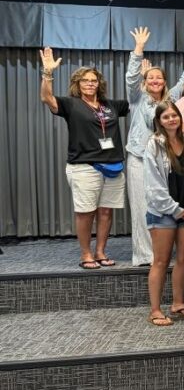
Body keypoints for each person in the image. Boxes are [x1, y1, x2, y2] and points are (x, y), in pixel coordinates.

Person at [39, 47, 129, 270]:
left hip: (113, 166)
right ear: (77, 84)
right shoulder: (71, 104)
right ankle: (86, 253)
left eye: (94, 80)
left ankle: (100, 251)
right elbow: (46, 97)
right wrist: (48, 73)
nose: (90, 84)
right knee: (86, 211)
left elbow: (137, 99)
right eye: (85, 81)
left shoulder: (111, 105)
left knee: (106, 211)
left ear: (99, 84)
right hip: (84, 166)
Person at [126, 26, 184, 266]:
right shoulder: (136, 98)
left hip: (165, 159)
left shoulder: (170, 99)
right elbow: (131, 77)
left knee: (164, 205)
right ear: (145, 82)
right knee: (142, 206)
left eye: (159, 77)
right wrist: (138, 50)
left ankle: (163, 252)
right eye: (151, 78)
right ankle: (146, 255)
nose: (155, 80)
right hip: (139, 158)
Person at [143, 101, 184, 326]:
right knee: (161, 261)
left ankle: (178, 304)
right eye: (165, 117)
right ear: (159, 121)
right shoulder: (154, 144)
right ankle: (155, 310)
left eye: (174, 115)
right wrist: (174, 210)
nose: (171, 120)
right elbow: (153, 185)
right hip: (163, 211)